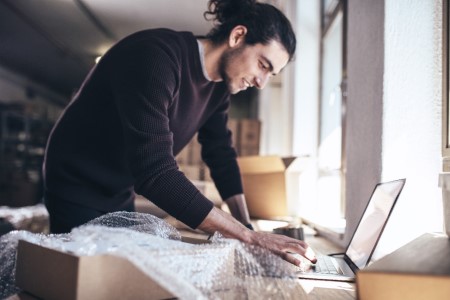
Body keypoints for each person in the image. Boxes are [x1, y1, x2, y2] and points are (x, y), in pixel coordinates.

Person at [43, 0, 317, 266]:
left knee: (120, 273)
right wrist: (249, 237)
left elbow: (220, 154)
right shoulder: (156, 58)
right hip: (75, 181)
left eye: (271, 75)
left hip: (118, 189)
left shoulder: (219, 89)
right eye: (263, 65)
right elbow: (155, 173)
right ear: (238, 36)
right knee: (82, 280)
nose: (261, 83)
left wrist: (245, 226)